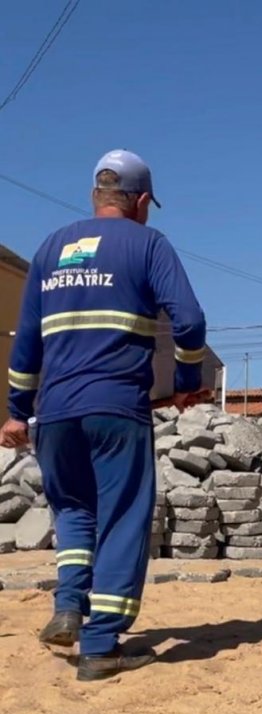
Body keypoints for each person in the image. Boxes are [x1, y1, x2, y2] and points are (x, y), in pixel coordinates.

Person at [0, 149, 208, 681]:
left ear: (97, 195)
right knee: (122, 519)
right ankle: (99, 646)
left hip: (54, 414)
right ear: (140, 201)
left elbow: (26, 345)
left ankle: (69, 605)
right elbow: (188, 323)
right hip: (116, 409)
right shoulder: (147, 244)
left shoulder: (50, 248)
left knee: (73, 512)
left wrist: (17, 413)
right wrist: (186, 381)